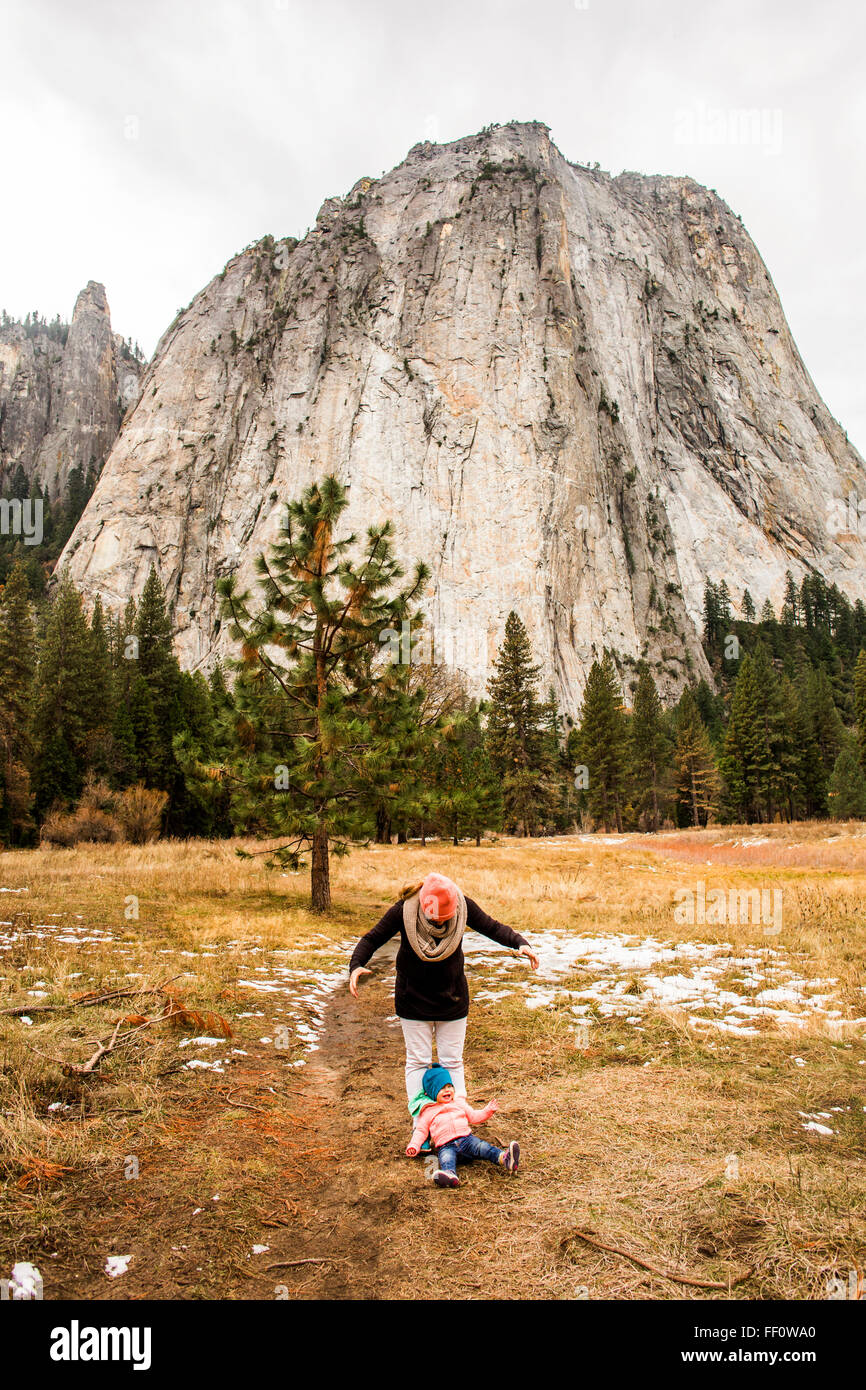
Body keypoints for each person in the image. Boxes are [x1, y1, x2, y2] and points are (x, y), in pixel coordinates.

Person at [348, 871, 539, 1110]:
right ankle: (422, 1123)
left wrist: (520, 943)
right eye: (434, 920)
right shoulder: (405, 910)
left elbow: (492, 927)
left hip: (452, 998)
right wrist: (356, 965)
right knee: (418, 1062)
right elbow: (372, 939)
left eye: (444, 919)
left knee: (452, 1062)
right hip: (412, 999)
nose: (440, 923)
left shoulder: (463, 905)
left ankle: (457, 1122)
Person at [405, 1065, 519, 1189]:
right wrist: (414, 1145)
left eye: (449, 1086)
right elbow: (421, 1131)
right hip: (446, 1145)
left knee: (484, 1147)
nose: (447, 1090)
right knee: (446, 1159)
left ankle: (505, 1158)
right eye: (441, 1088)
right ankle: (450, 1176)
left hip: (467, 1140)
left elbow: (474, 1116)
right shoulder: (428, 1111)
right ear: (432, 1092)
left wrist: (488, 1111)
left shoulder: (459, 1103)